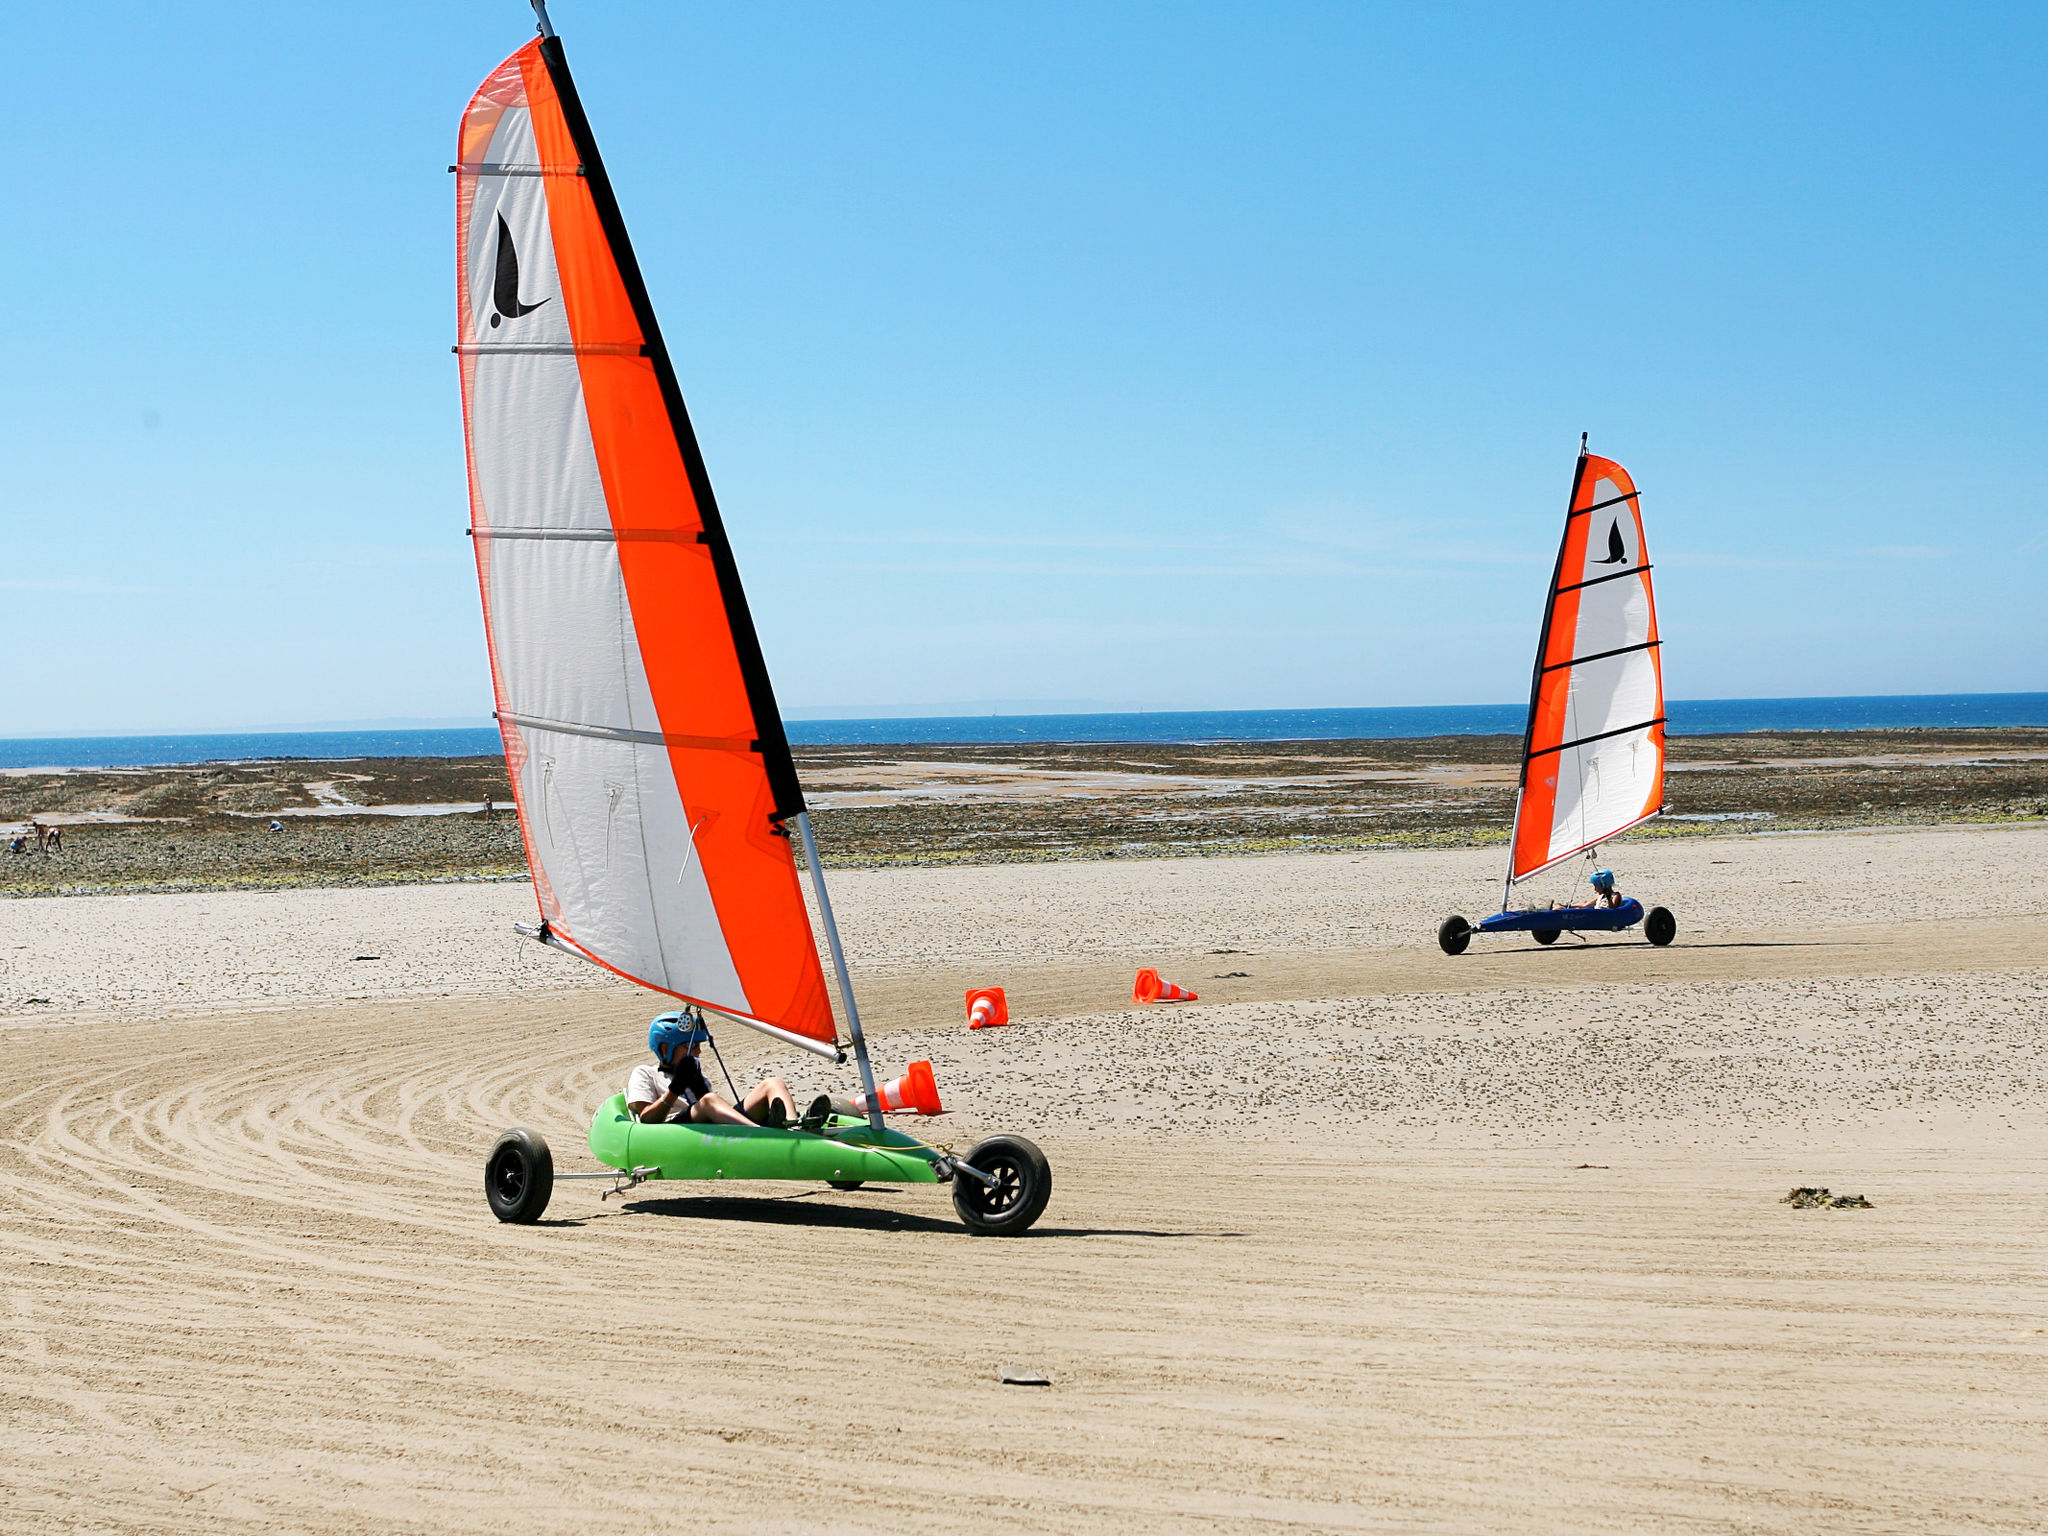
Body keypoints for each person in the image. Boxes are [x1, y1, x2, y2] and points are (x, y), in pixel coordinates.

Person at [626, 1011, 800, 1128]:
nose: (698, 1051)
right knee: (709, 1100)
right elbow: (647, 1119)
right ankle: (763, 1134)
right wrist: (675, 1089)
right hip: (677, 1129)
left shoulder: (693, 1071)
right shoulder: (645, 1073)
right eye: (691, 1045)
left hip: (710, 1125)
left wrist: (697, 1084)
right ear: (665, 1049)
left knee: (772, 1083)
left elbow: (714, 1110)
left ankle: (794, 1126)